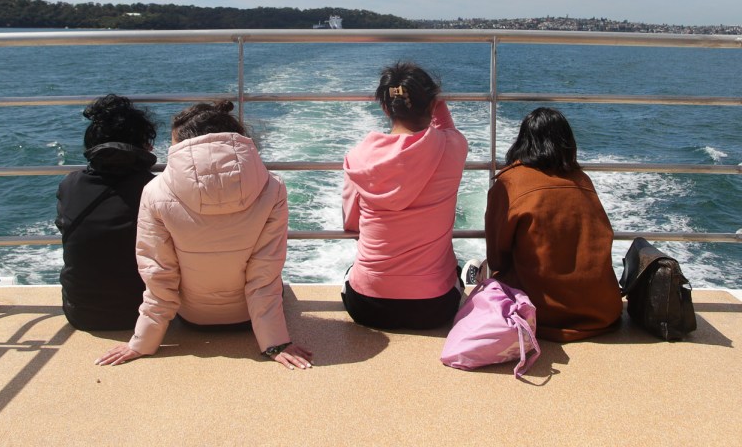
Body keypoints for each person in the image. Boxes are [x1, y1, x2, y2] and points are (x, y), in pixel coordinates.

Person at [96, 101, 312, 370]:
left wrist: (142, 342)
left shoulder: (154, 192)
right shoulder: (273, 187)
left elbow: (159, 274)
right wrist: (275, 342)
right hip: (248, 319)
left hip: (192, 319)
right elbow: (265, 272)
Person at [341, 62, 468, 329]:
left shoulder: (357, 159)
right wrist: (437, 104)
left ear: (385, 108)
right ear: (432, 105)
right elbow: (447, 129)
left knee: (351, 273)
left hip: (365, 305)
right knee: (457, 273)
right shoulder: (453, 147)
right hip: (434, 307)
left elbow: (351, 224)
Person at [485, 107, 623, 342]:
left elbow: (497, 258)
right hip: (601, 312)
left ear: (523, 140)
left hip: (541, 312)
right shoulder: (582, 180)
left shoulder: (509, 183)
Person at [56, 94, 158, 331]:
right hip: (144, 314)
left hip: (81, 313)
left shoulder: (70, 185)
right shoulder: (155, 189)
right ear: (145, 146)